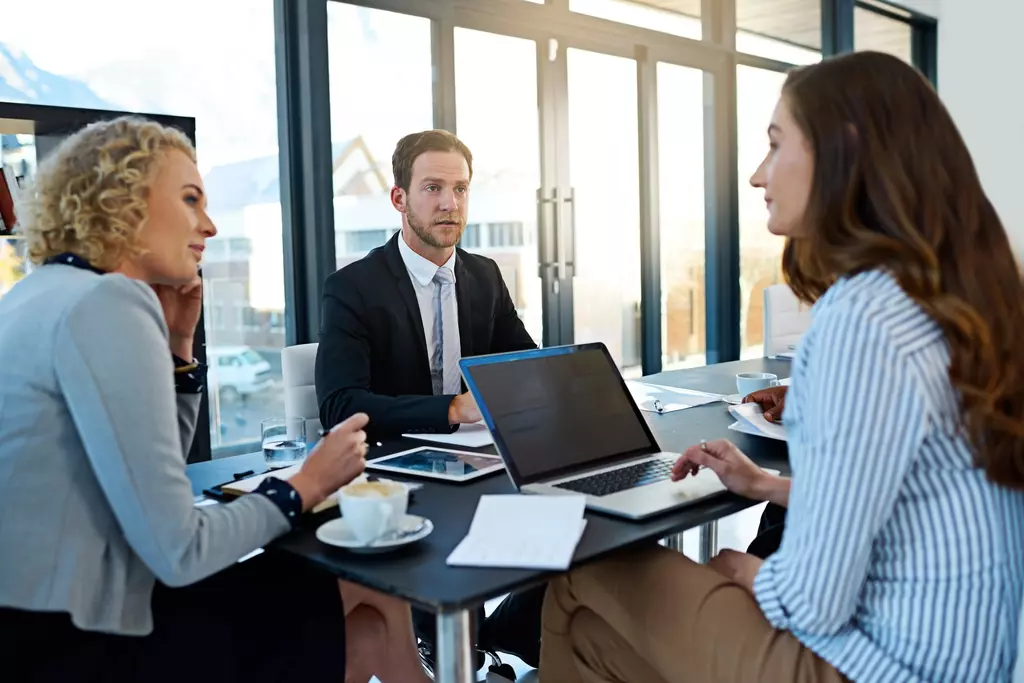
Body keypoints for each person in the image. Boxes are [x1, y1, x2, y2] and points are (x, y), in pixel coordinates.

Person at [538, 51, 1024, 683]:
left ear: (842, 149)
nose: (757, 175)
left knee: (581, 571)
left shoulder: (860, 318)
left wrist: (741, 572)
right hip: (960, 661)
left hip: (873, 665)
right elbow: (898, 502)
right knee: (593, 637)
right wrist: (766, 486)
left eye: (774, 144)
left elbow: (812, 601)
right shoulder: (952, 303)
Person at [0, 117, 429, 683]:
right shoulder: (108, 305)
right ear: (123, 202)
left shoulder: (39, 293)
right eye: (190, 199)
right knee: (358, 580)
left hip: (34, 625)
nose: (210, 224)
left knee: (367, 628)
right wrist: (307, 484)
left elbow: (152, 477)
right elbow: (179, 549)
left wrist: (179, 348)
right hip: (81, 640)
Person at [315, 129, 544, 669]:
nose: (450, 203)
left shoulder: (485, 276)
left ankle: (501, 634)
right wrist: (449, 410)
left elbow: (524, 368)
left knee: (582, 526)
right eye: (433, 187)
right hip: (399, 478)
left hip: (482, 467)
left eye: (461, 189)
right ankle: (445, 644)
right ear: (399, 198)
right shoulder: (353, 288)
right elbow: (340, 405)